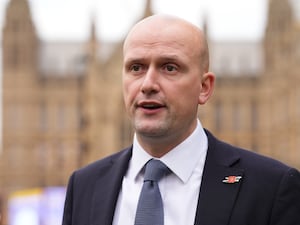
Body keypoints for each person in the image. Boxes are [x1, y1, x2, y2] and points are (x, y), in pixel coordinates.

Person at [62, 14, 300, 225]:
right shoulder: (83, 187)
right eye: (136, 67)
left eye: (169, 68)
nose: (148, 84)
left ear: (204, 87)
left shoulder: (272, 188)